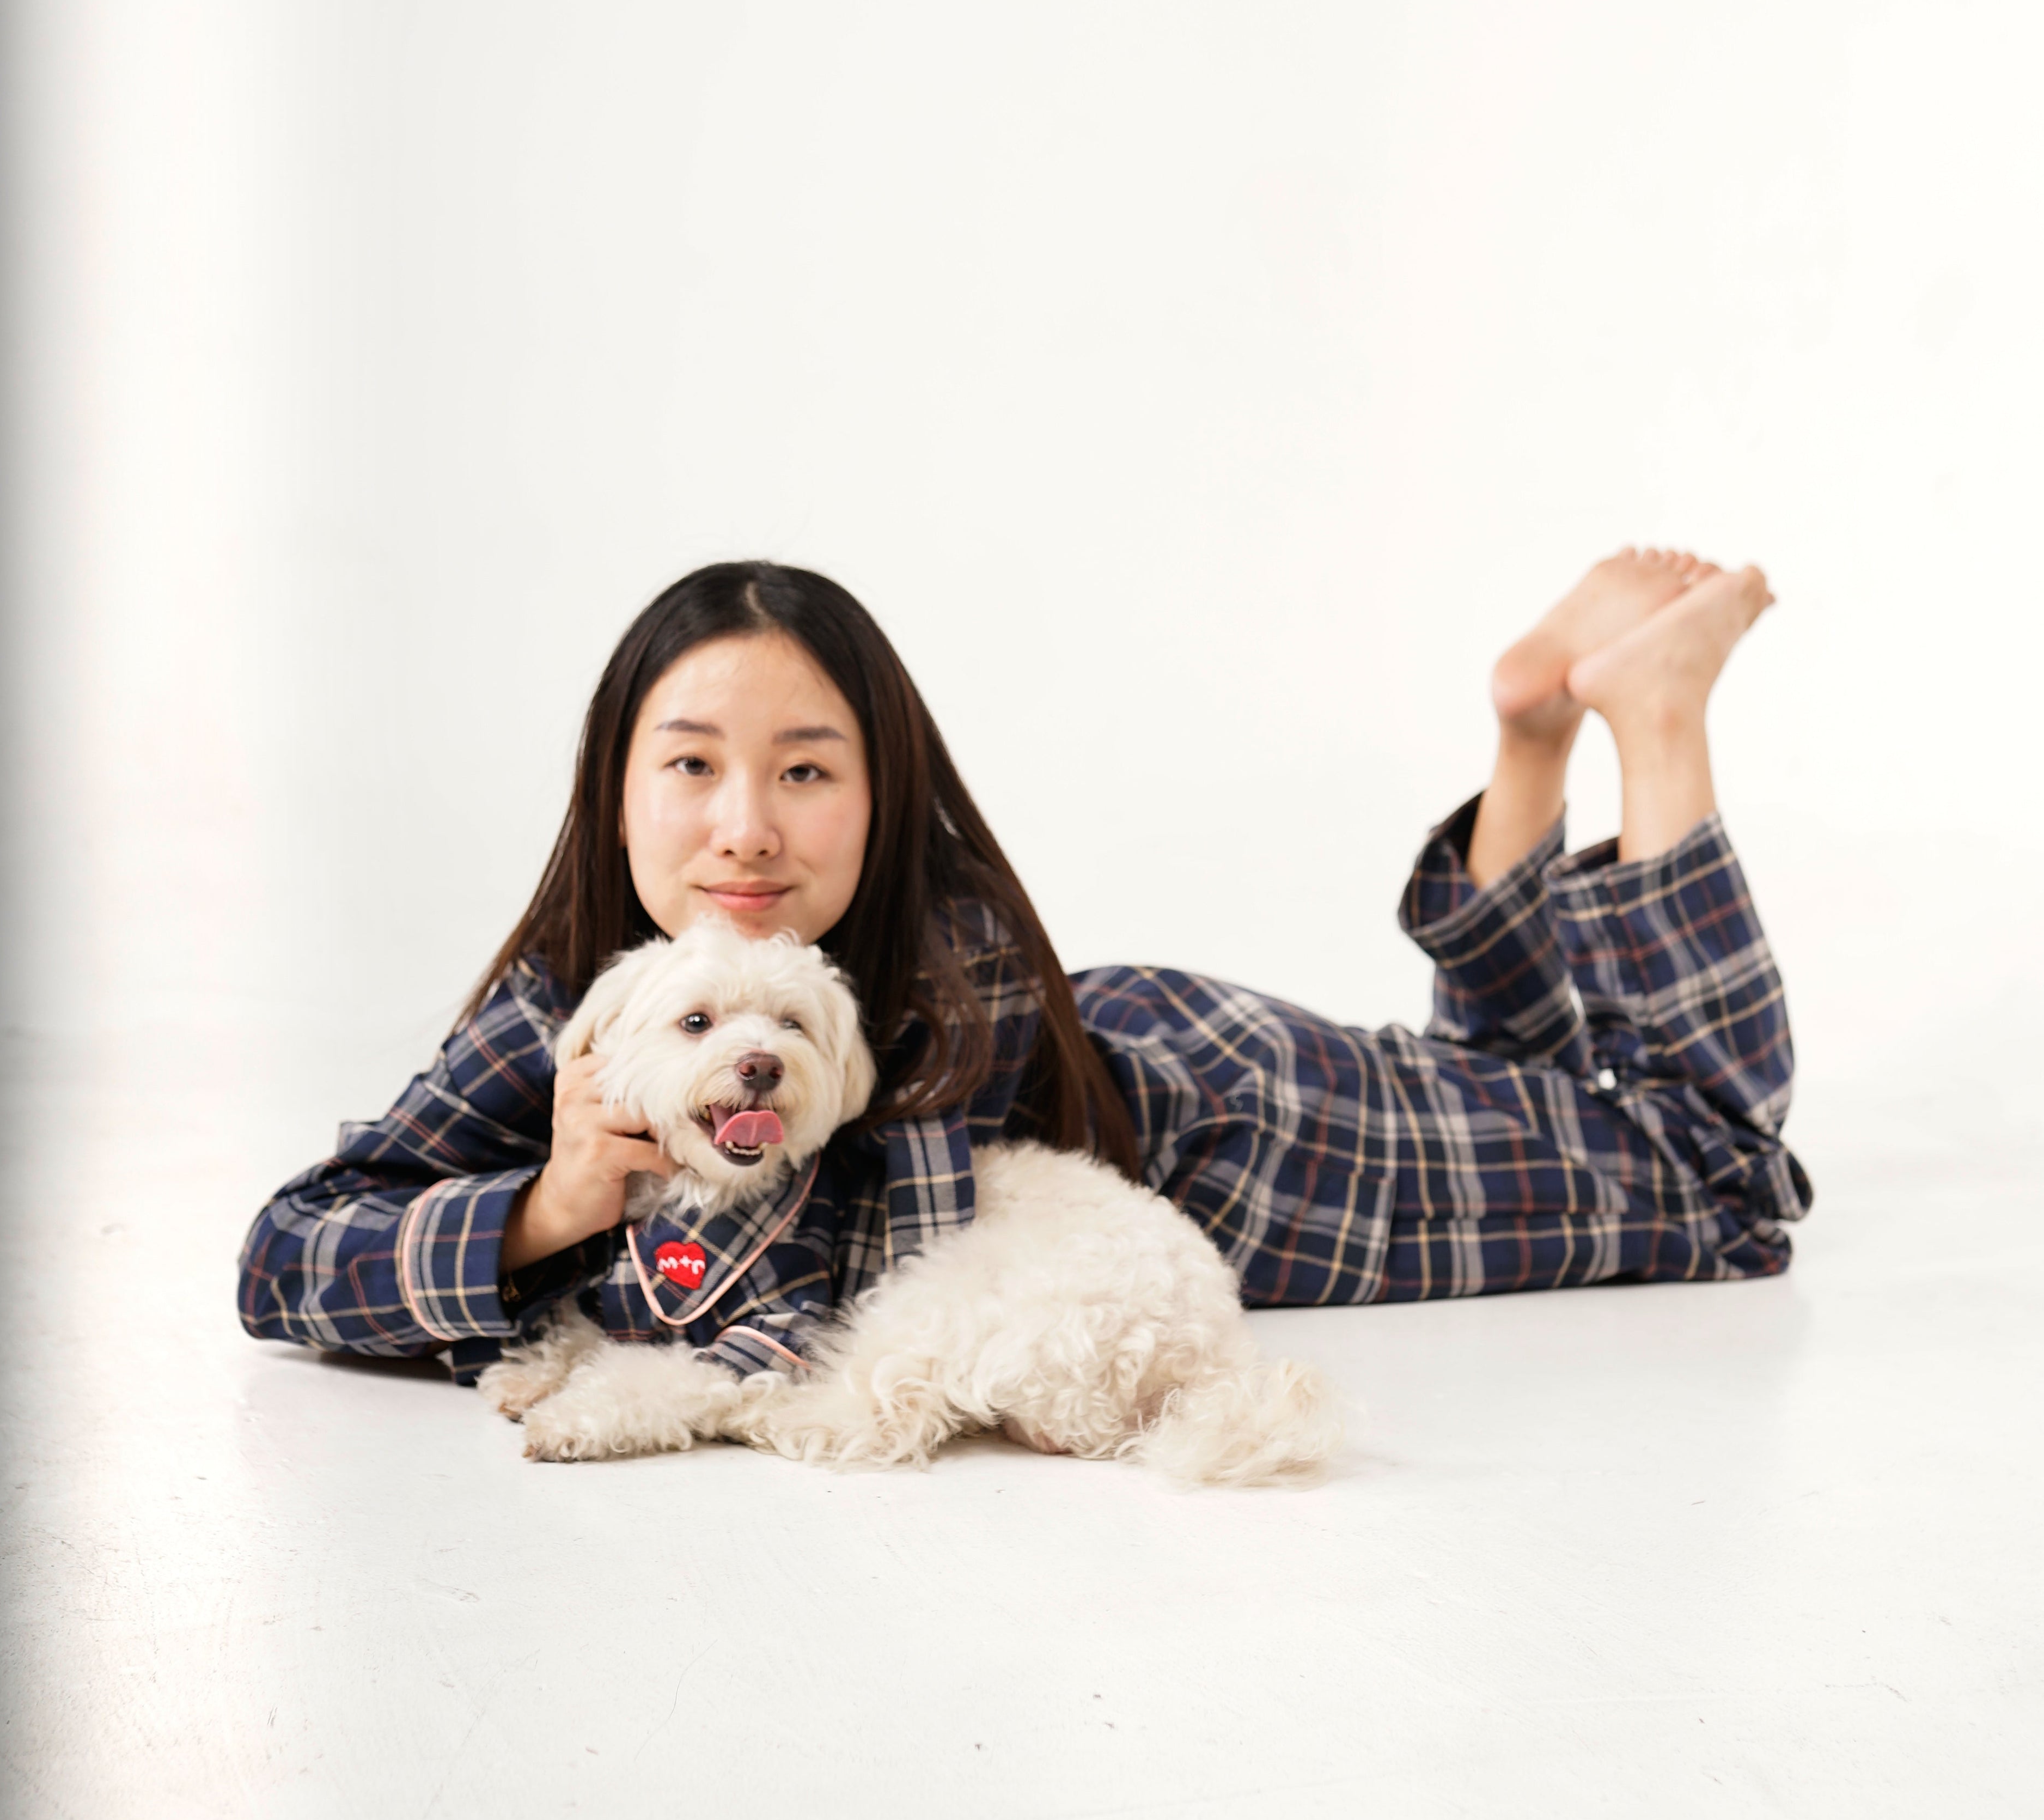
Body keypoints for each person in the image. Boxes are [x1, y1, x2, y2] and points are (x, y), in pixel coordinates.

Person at [238, 552, 1809, 1398]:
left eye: (805, 772)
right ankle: (1534, 737)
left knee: (1719, 1181)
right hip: (1166, 1051)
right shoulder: (560, 1003)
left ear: (882, 790)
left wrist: (566, 1292)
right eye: (694, 765)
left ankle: (1657, 719)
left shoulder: (944, 970)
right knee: (1526, 1087)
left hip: (1261, 1152)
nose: (744, 830)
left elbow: (831, 1286)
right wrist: (551, 1204)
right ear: (617, 789)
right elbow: (284, 1259)